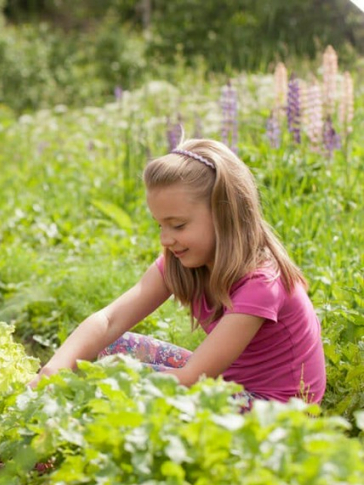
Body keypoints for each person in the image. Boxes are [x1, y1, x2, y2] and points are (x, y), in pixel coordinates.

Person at [32, 139, 326, 408]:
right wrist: (52, 371)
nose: (165, 238)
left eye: (178, 225)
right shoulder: (181, 263)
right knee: (107, 346)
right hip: (226, 387)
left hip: (275, 412)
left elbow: (192, 378)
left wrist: (107, 382)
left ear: (224, 214)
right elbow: (109, 320)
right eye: (160, 225)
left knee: (119, 377)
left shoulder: (262, 282)